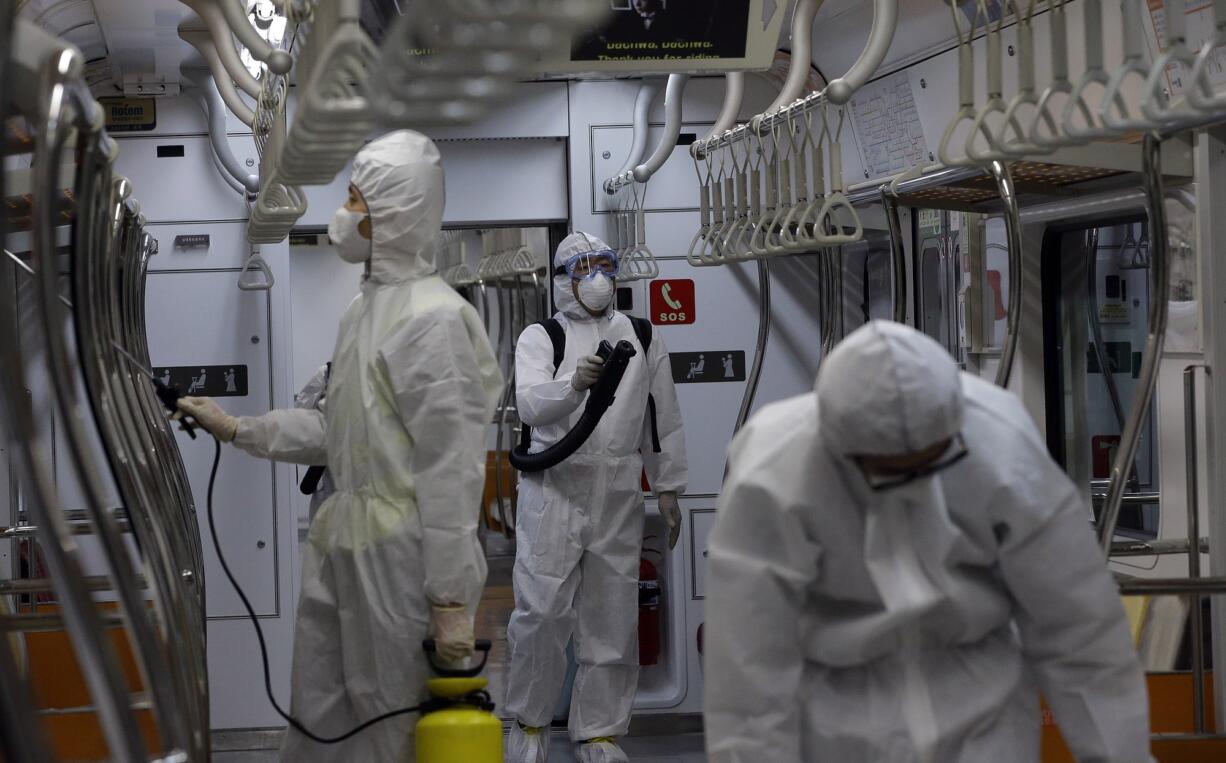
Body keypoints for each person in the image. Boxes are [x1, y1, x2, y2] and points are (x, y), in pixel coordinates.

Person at [176, 130, 503, 762]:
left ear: (396, 214)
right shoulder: (364, 310)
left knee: (391, 731)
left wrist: (452, 599)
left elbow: (450, 476)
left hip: (399, 562)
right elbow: (338, 431)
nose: (345, 213)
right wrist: (240, 429)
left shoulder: (432, 320)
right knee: (319, 720)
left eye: (357, 199)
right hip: (340, 541)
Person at [704, 320, 1152, 763]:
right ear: (842, 450)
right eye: (891, 472)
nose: (912, 486)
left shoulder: (1001, 446)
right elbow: (749, 667)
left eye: (930, 463)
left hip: (984, 719)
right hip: (835, 725)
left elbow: (1076, 624)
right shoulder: (773, 475)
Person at [505, 232, 687, 763]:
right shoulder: (541, 336)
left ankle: (600, 733)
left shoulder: (644, 335)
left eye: (605, 265)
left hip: (617, 490)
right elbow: (530, 404)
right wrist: (574, 385)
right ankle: (530, 723)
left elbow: (663, 418)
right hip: (554, 487)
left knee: (611, 615)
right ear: (564, 280)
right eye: (584, 268)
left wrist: (670, 484)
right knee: (541, 612)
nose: (598, 277)